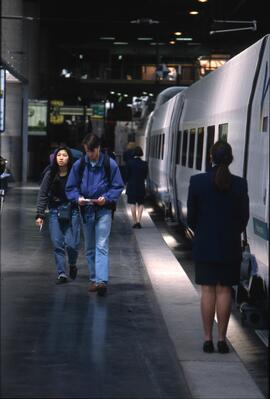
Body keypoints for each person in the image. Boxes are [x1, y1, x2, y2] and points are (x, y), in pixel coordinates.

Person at [187, 140, 249, 353]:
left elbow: (192, 217)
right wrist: (232, 233)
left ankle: (207, 339)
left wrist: (201, 232)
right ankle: (222, 340)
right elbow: (244, 218)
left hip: (205, 245)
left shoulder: (197, 182)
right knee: (224, 291)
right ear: (230, 159)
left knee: (207, 291)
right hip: (230, 247)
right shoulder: (240, 184)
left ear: (209, 157)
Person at [65, 133, 124, 296]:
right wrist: (78, 198)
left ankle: (101, 281)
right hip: (86, 211)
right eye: (86, 151)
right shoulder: (80, 164)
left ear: (98, 148)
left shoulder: (109, 164)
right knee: (90, 247)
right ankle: (93, 278)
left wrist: (107, 198)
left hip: (104, 210)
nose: (89, 154)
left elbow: (118, 186)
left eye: (92, 151)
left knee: (101, 245)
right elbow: (70, 187)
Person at [35, 146, 81, 284]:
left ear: (69, 158)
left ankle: (72, 264)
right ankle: (62, 273)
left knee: (72, 244)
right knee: (57, 243)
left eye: (64, 155)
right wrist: (40, 214)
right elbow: (42, 194)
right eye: (59, 155)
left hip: (72, 211)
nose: (61, 157)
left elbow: (81, 190)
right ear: (55, 157)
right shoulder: (50, 173)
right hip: (55, 211)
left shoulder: (75, 173)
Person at [126, 146, 148, 228]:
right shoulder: (144, 164)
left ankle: (134, 222)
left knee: (132, 203)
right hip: (141, 186)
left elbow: (127, 176)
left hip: (131, 186)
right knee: (141, 203)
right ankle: (139, 221)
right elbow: (145, 176)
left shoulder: (129, 163)